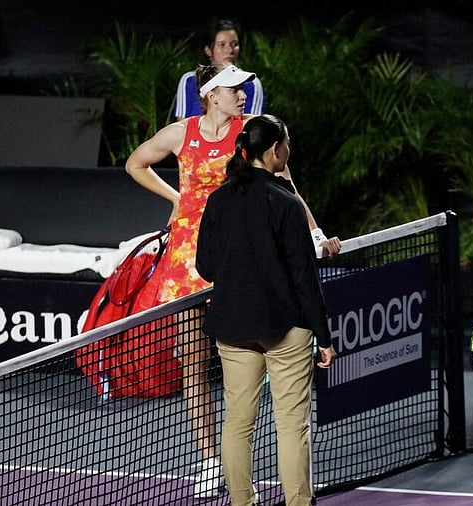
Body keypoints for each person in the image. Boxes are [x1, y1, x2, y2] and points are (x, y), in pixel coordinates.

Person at [124, 62, 340, 499]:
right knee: (194, 365)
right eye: (233, 89)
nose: (242, 95)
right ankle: (208, 460)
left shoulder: (252, 134)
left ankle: (246, 489)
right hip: (191, 257)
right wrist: (178, 198)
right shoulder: (180, 133)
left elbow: (287, 189)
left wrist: (316, 234)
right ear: (211, 95)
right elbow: (136, 163)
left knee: (240, 378)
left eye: (242, 90)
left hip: (240, 249)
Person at [195, 114, 336, 506]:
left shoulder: (218, 199)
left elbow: (205, 267)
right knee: (292, 427)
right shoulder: (287, 203)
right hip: (284, 330)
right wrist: (323, 337)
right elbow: (305, 280)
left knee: (238, 424)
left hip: (233, 326)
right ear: (276, 151)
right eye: (286, 145)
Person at [174, 18, 264, 121]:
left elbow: (253, 128)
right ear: (208, 50)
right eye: (222, 45)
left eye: (235, 44)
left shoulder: (252, 83)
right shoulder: (189, 80)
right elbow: (182, 125)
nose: (230, 50)